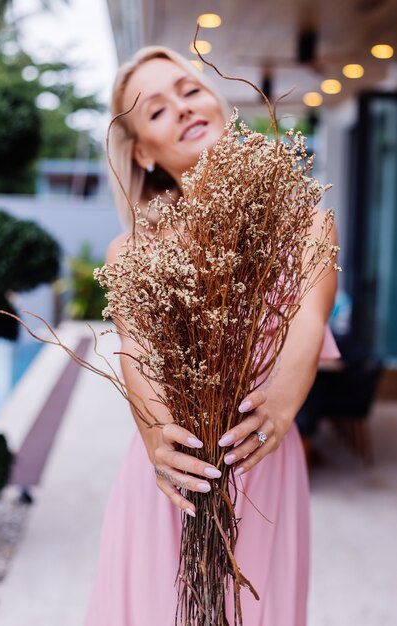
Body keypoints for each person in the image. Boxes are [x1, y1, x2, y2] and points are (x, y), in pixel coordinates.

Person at [84, 46, 340, 626]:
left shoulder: (306, 221)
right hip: (174, 474)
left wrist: (273, 411)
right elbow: (135, 353)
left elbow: (307, 326)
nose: (181, 107)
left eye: (189, 89)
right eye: (155, 110)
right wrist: (156, 441)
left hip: (263, 464)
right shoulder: (132, 251)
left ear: (218, 101)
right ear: (143, 153)